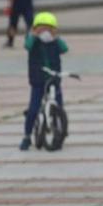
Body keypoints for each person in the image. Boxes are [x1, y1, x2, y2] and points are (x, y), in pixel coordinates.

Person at [21, 11, 69, 151]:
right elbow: (27, 46)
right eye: (42, 28)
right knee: (34, 108)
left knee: (59, 106)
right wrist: (34, 35)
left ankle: (60, 130)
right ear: (35, 29)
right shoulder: (33, 41)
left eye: (49, 28)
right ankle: (27, 136)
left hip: (54, 79)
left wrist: (55, 37)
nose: (45, 32)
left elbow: (65, 49)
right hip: (38, 79)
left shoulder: (55, 42)